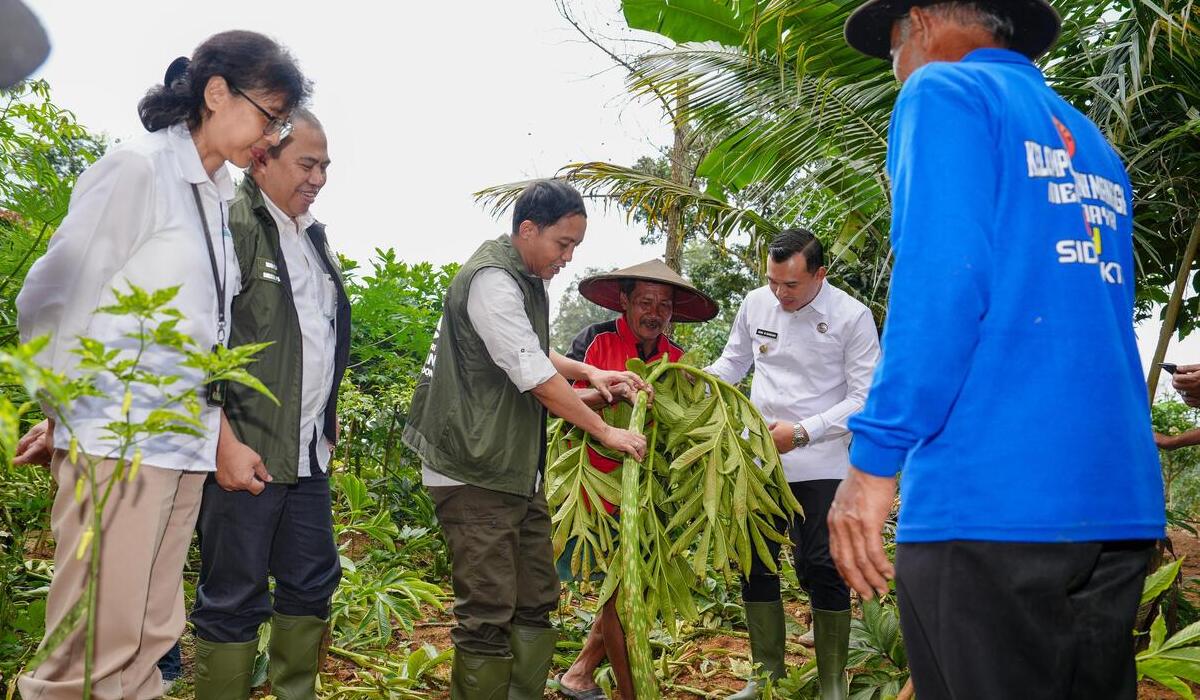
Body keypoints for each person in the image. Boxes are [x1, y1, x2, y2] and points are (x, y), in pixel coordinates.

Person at [830, 2, 1166, 699]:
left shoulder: (946, 90)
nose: (896, 73)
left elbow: (944, 282)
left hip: (991, 500)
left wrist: (873, 462)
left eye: (891, 51)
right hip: (1115, 503)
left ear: (919, 23)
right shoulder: (1088, 139)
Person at [14, 31, 308, 700]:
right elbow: (53, 297)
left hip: (179, 447)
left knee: (149, 633)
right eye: (270, 113)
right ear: (215, 92)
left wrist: (213, 436)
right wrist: (66, 414)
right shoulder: (139, 170)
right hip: (119, 441)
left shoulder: (215, 195)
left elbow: (201, 340)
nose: (274, 133)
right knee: (95, 638)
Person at [403, 179, 650, 700]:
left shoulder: (523, 277)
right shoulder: (493, 281)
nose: (568, 256)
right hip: (473, 469)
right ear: (528, 229)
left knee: (536, 595)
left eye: (575, 247)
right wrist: (607, 430)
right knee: (489, 610)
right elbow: (532, 372)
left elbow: (536, 352)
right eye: (564, 244)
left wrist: (590, 373)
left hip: (513, 469)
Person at [187, 110, 346, 700]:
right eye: (307, 163)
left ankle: (292, 690)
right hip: (247, 450)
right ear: (263, 157)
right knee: (233, 594)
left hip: (306, 458)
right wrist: (222, 438)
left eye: (326, 165)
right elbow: (201, 338)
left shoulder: (310, 236)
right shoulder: (236, 223)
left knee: (311, 581)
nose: (320, 177)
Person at [706, 229, 880, 700]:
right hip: (758, 457)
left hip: (822, 459)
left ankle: (830, 684)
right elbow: (733, 362)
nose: (779, 294)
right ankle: (765, 675)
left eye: (791, 285)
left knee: (823, 564)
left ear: (820, 275)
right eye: (772, 281)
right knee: (756, 563)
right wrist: (694, 384)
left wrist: (804, 431)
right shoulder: (755, 303)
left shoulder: (852, 317)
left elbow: (865, 398)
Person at [556, 260, 718, 700]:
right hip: (593, 484)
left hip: (650, 494)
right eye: (645, 301)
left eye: (664, 305)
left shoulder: (678, 360)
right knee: (620, 591)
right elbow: (560, 398)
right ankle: (632, 692)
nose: (655, 312)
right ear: (625, 301)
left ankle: (580, 673)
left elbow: (687, 427)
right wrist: (613, 390)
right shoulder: (594, 342)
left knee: (628, 588)